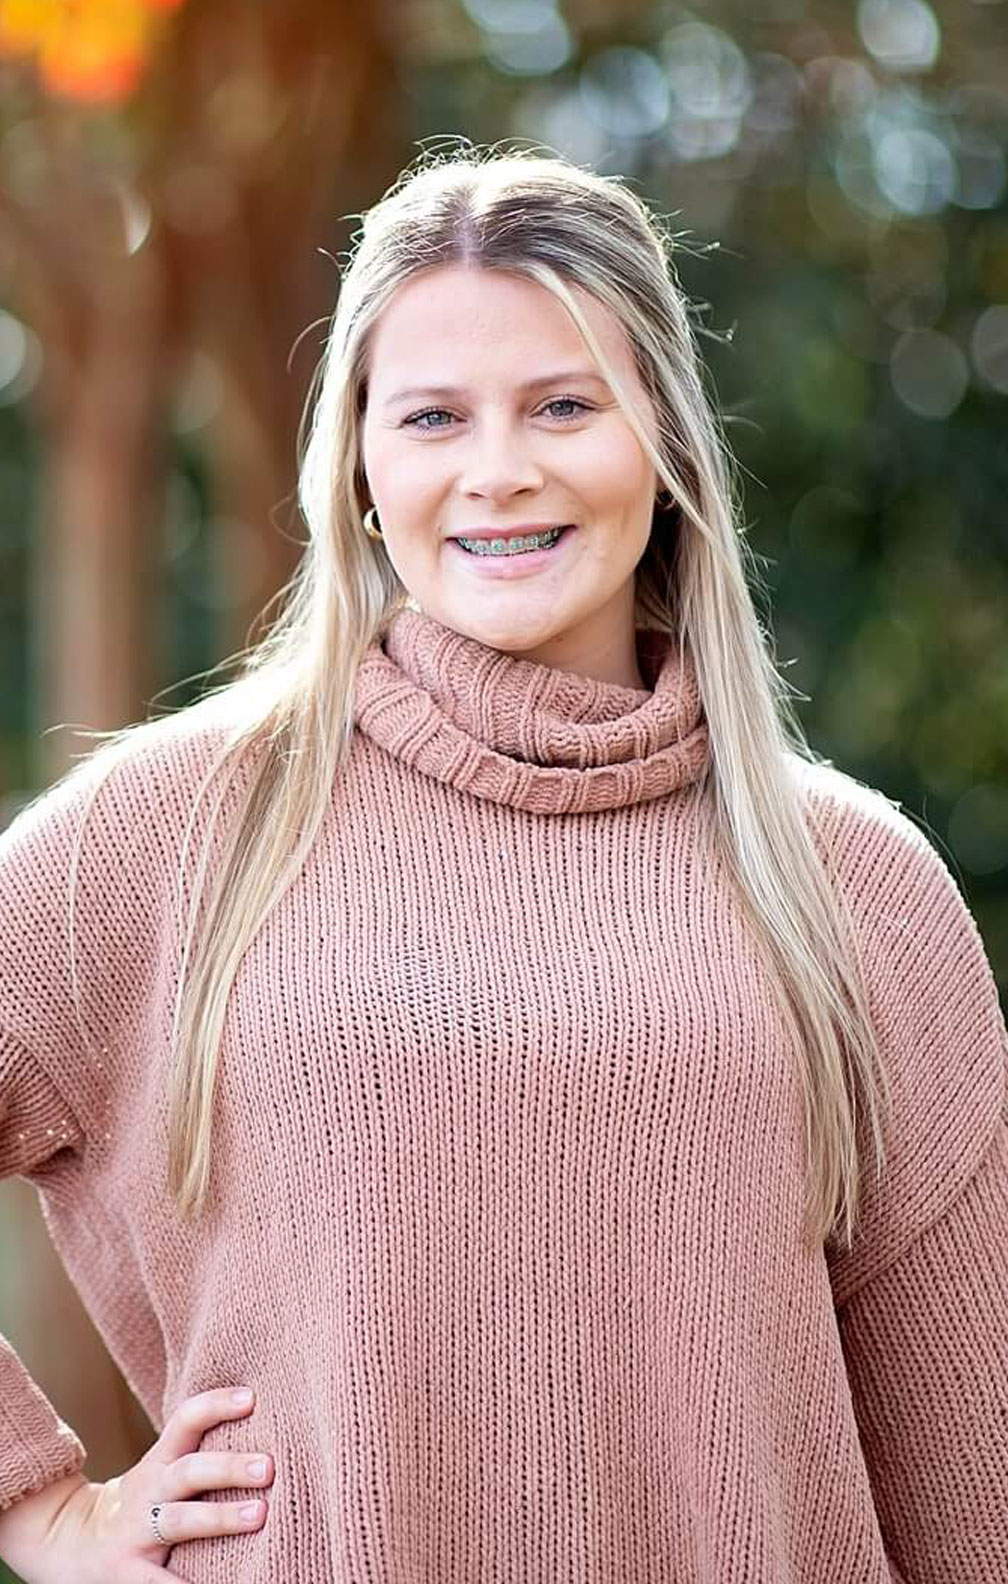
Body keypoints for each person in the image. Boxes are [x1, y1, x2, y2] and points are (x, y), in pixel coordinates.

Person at [0, 143, 1005, 1583]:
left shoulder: (853, 881)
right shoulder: (172, 829)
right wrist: (43, 1514)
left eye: (563, 405)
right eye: (431, 417)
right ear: (361, 465)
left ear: (665, 444)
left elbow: (973, 1474)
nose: (498, 472)